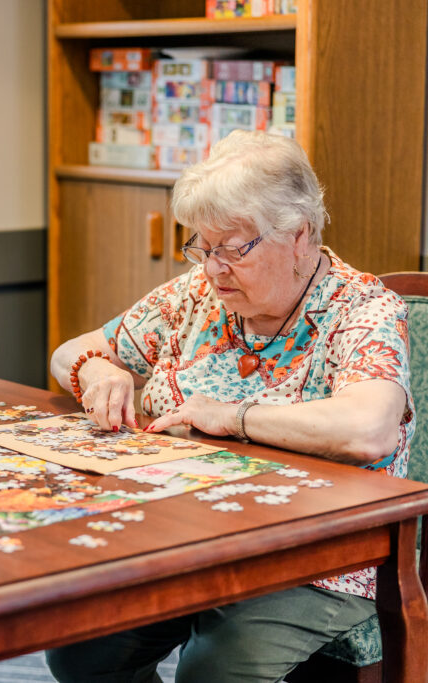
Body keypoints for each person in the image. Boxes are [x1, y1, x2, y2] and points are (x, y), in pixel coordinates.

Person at [47, 130, 413, 682]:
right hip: (187, 535)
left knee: (213, 671)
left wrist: (232, 417)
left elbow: (369, 429)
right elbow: (70, 351)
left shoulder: (362, 310)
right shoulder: (194, 295)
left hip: (319, 560)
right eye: (201, 245)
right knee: (82, 649)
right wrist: (100, 369)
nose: (213, 267)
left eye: (233, 248)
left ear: (299, 235)